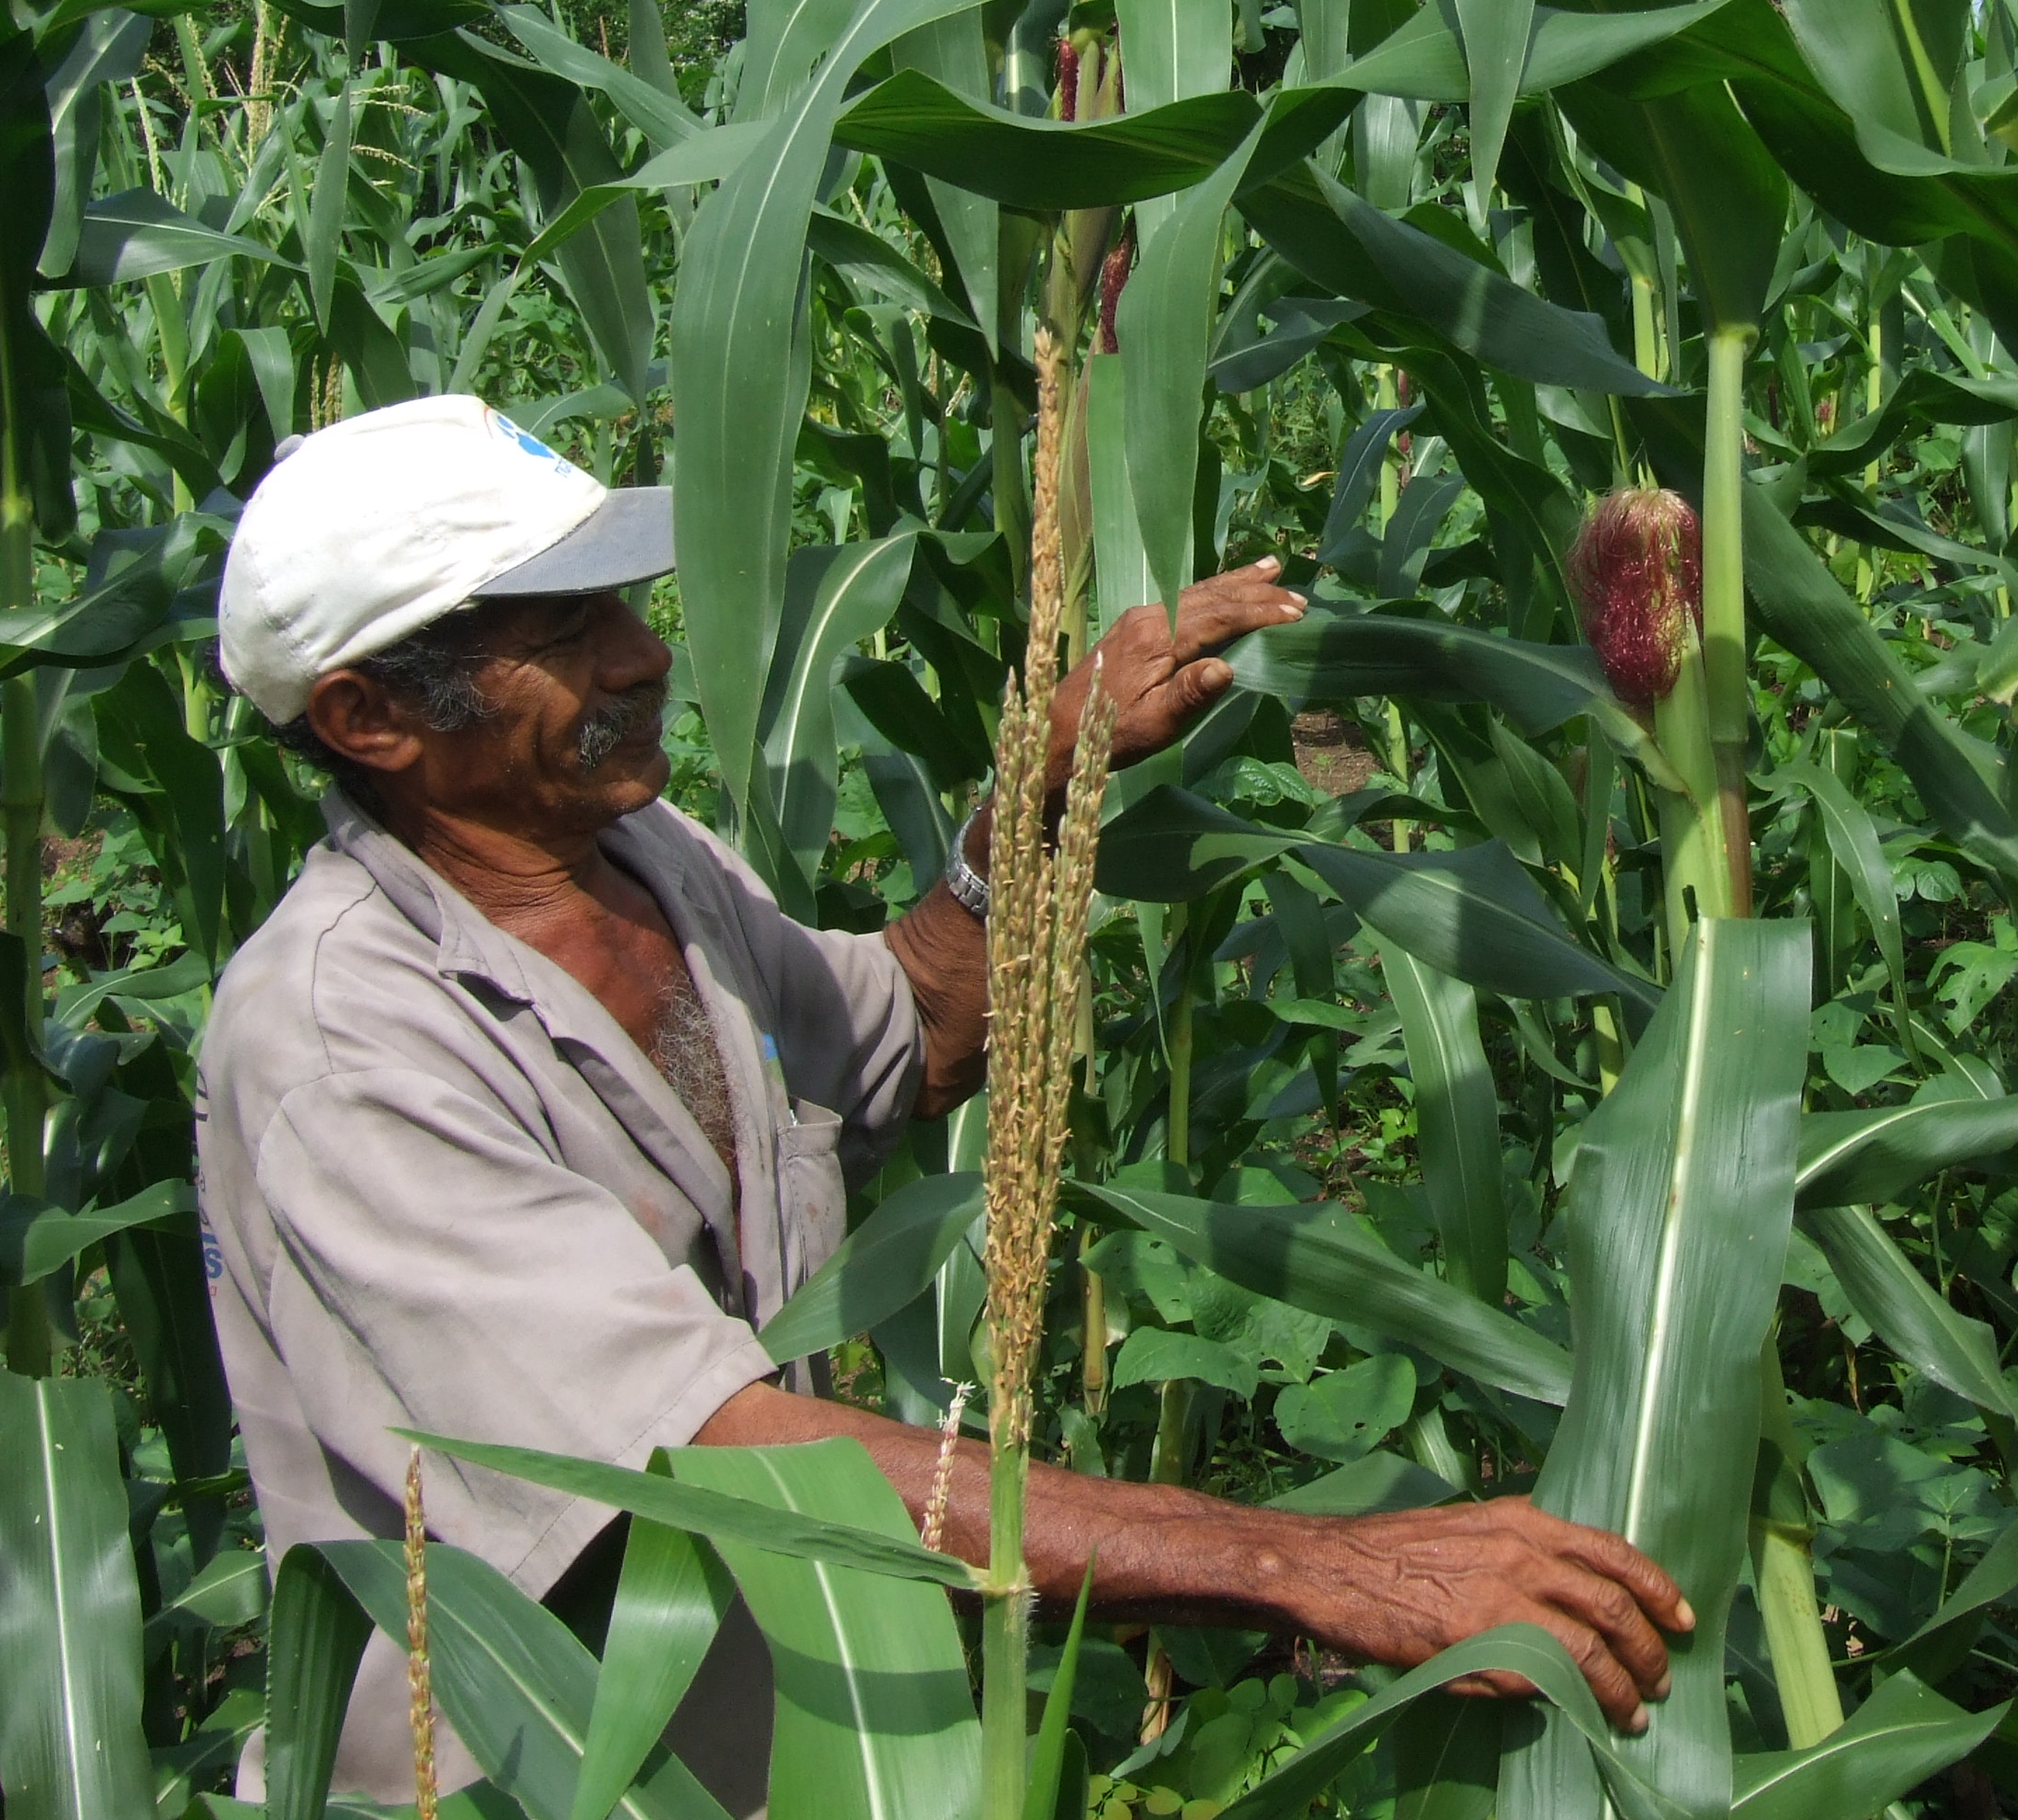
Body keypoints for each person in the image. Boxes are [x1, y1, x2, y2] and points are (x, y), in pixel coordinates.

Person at [196, 397, 1688, 1811]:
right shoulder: (344, 1048)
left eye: (625, 607)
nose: (642, 656)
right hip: (548, 1777)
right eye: (566, 633)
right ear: (368, 716)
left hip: (789, 1725)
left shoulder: (645, 863)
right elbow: (704, 1458)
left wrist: (1029, 803)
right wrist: (1315, 1567)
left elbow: (907, 1031)